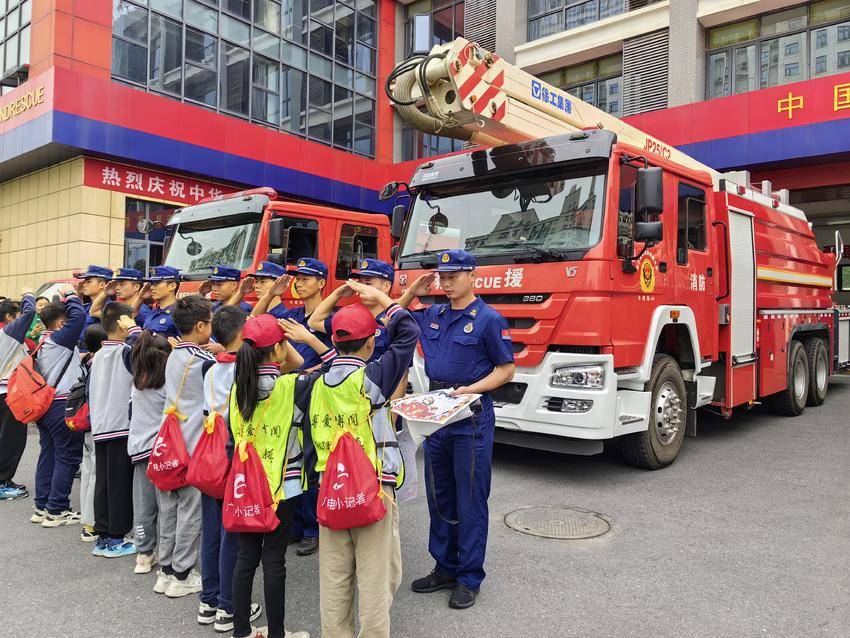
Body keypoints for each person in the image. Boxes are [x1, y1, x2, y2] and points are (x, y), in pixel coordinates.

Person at [400, 250, 516, 610]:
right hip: (437, 415)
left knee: (470, 498)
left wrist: (470, 390)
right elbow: (392, 318)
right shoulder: (434, 314)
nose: (447, 283)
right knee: (440, 496)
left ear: (472, 276)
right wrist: (413, 290)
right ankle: (445, 567)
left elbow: (506, 370)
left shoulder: (488, 319)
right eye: (443, 277)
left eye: (454, 276)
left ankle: (469, 576)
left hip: (470, 418)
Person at [308, 281, 419, 638]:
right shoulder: (373, 377)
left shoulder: (315, 384)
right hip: (373, 488)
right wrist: (385, 299)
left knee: (334, 577)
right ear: (371, 343)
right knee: (376, 578)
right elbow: (409, 331)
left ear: (334, 341)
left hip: (331, 488)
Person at [229, 314, 310, 638]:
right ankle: (277, 633)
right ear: (278, 349)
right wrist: (300, 339)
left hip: (246, 485)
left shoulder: (238, 386)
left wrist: (273, 340)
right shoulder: (292, 386)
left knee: (246, 557)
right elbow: (309, 364)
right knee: (274, 558)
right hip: (282, 485)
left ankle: (241, 631)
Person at [254, 257, 333, 557]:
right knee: (291, 462)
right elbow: (254, 323)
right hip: (288, 396)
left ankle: (313, 528)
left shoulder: (329, 319)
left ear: (322, 283)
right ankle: (296, 525)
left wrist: (310, 369)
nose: (299, 283)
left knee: (311, 464)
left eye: (306, 278)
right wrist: (271, 294)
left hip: (315, 396)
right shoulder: (292, 314)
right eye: (297, 278)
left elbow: (338, 358)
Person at [197, 306, 263, 632]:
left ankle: (208, 599)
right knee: (232, 534)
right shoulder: (247, 368)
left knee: (210, 530)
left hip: (210, 455)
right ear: (243, 331)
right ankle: (228, 605)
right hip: (235, 455)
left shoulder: (210, 369)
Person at [153, 295, 215, 599]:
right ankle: (183, 573)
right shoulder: (203, 362)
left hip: (168, 445)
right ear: (201, 326)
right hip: (190, 446)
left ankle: (165, 570)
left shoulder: (174, 354)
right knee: (190, 512)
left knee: (169, 510)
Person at [30, 286, 88, 527]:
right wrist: (71, 295)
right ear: (62, 323)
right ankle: (57, 510)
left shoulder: (43, 340)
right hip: (62, 405)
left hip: (45, 406)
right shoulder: (59, 338)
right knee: (67, 457)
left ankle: (42, 506)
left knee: (49, 454)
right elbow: (80, 316)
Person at [88, 301, 141, 557]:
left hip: (101, 426)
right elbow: (147, 352)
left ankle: (103, 535)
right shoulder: (126, 351)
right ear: (123, 323)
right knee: (119, 485)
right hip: (121, 427)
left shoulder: (97, 355)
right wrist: (135, 330)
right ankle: (117, 538)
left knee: (104, 483)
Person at [128, 331, 171, 575]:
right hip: (163, 452)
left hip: (139, 451)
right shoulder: (168, 385)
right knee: (167, 507)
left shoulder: (138, 382)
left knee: (144, 505)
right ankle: (167, 556)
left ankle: (144, 554)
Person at [0, 291, 37, 500]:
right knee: (11, 441)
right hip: (9, 396)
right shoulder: (8, 333)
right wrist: (28, 294)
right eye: (17, 315)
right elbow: (30, 313)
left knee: (5, 439)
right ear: (9, 317)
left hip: (4, 394)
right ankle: (2, 482)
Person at [79, 324, 107, 542]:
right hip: (97, 424)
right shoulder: (101, 363)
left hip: (87, 424)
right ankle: (92, 524)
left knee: (88, 472)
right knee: (96, 474)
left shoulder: (87, 360)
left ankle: (87, 521)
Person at [137, 266, 181, 339]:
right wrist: (140, 298)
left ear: (172, 286)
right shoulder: (153, 312)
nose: (151, 287)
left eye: (156, 283)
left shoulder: (180, 313)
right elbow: (129, 316)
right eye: (151, 283)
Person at [76, 265, 113, 333]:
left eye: (88, 282)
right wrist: (79, 294)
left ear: (102, 285)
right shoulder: (88, 305)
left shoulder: (109, 308)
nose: (83, 285)